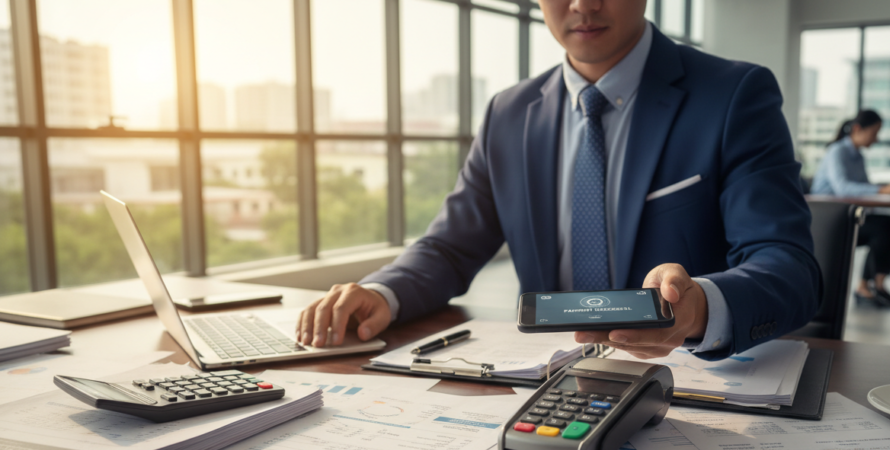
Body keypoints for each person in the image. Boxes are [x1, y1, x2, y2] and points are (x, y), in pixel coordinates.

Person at [296, 0, 821, 361]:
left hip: (688, 383)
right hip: (547, 379)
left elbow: (788, 265)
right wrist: (381, 292)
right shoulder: (509, 112)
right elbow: (450, 248)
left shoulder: (734, 94)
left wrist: (700, 307)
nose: (584, 4)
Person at [811, 110, 890, 307]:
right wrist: (882, 190)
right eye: (874, 133)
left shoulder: (858, 157)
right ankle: (864, 287)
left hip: (851, 215)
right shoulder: (837, 151)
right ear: (857, 129)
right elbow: (843, 189)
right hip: (831, 220)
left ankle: (877, 285)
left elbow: (865, 193)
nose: (876, 139)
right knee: (883, 229)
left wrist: (884, 194)